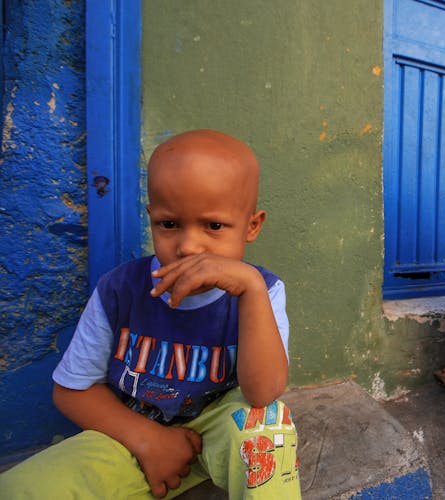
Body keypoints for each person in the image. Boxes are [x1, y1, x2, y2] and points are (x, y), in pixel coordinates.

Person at [0, 129, 302, 499]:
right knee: (19, 489)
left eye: (214, 226)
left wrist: (250, 289)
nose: (189, 246)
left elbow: (263, 392)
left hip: (220, 432)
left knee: (267, 427)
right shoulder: (120, 289)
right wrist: (148, 440)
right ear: (151, 218)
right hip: (131, 437)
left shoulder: (263, 290)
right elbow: (70, 390)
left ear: (252, 226)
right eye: (169, 224)